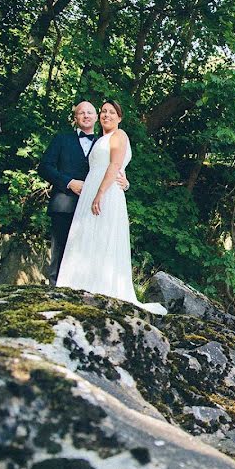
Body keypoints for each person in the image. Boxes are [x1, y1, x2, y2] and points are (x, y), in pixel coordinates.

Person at [54, 99, 166, 315]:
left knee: (104, 235)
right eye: (103, 111)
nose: (106, 115)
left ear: (120, 117)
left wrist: (100, 193)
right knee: (87, 237)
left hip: (104, 193)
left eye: (111, 112)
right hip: (92, 190)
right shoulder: (100, 139)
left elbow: (115, 165)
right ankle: (81, 285)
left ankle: (102, 288)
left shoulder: (119, 135)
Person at [38, 101, 128, 284]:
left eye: (90, 112)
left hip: (94, 207)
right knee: (61, 251)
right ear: (75, 118)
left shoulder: (105, 140)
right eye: (81, 113)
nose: (86, 115)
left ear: (96, 117)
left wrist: (125, 183)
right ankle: (55, 291)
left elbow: (116, 167)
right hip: (65, 203)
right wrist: (69, 183)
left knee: (92, 250)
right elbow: (44, 167)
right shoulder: (62, 139)